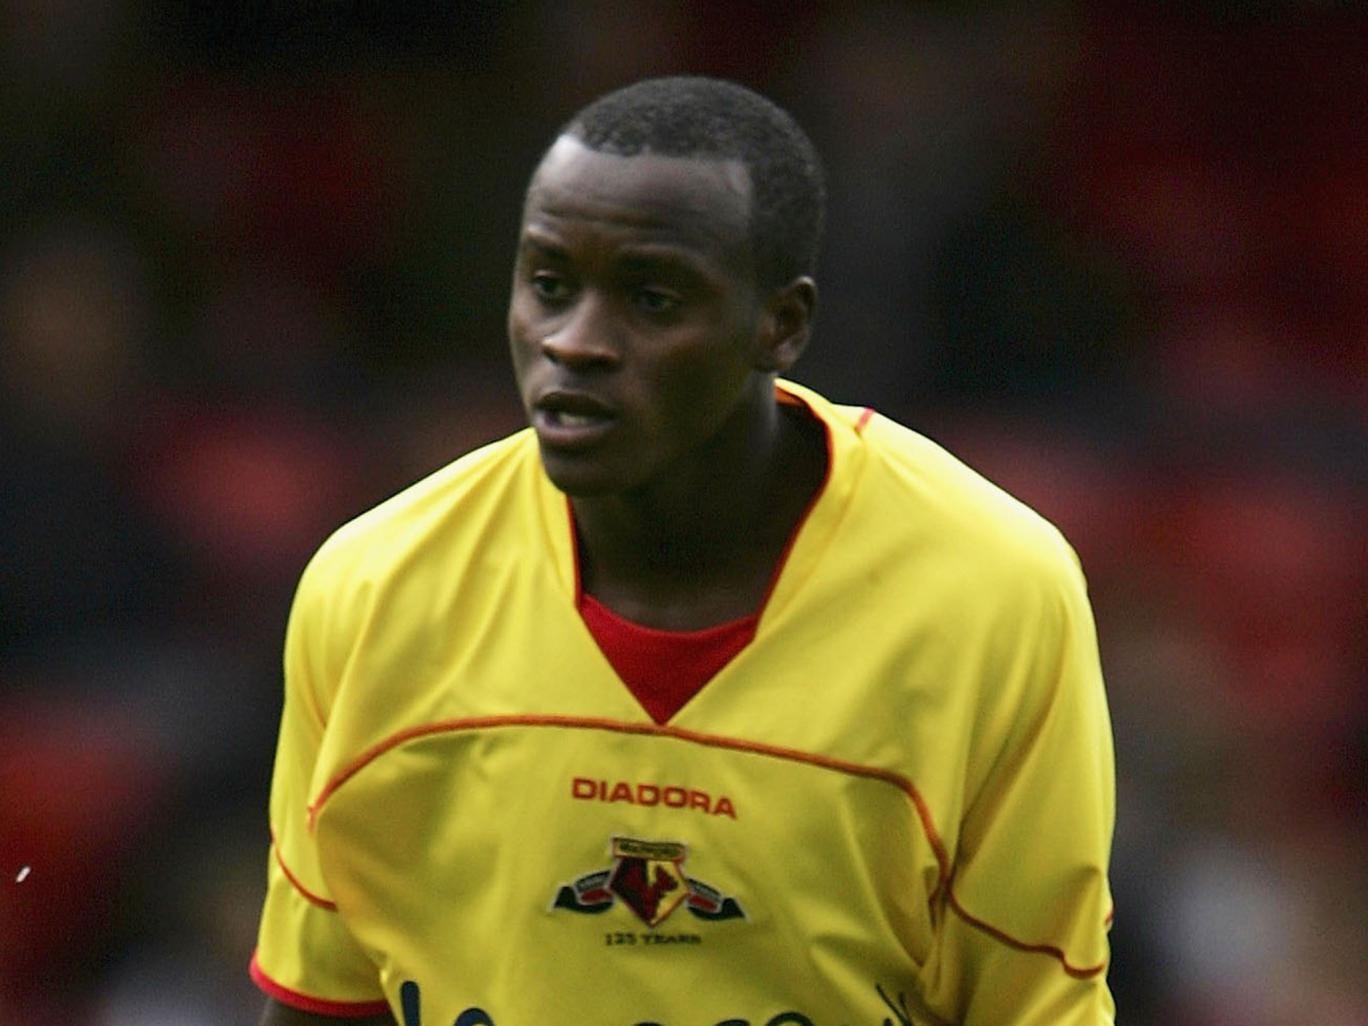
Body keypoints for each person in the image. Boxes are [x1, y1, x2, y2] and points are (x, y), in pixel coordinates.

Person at [250, 76, 1115, 1026]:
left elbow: (1035, 1006)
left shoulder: (993, 592)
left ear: (781, 324)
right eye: (548, 286)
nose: (575, 342)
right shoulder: (375, 588)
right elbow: (320, 1002)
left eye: (652, 298)